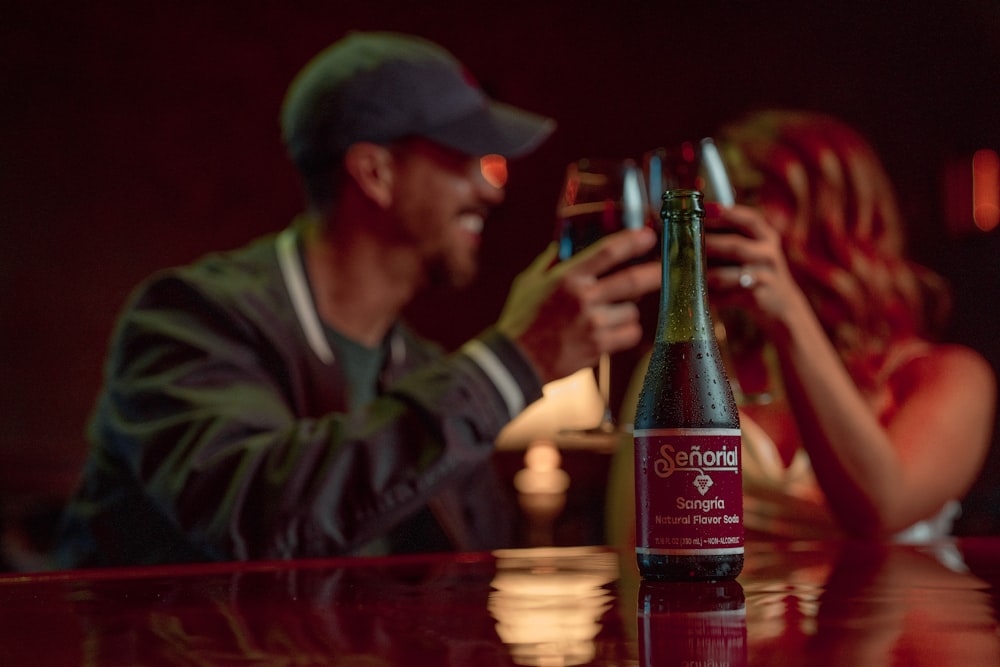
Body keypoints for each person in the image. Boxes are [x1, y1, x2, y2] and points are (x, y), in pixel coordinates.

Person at [54, 31, 661, 568]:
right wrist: (511, 364)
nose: (489, 190)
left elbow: (475, 579)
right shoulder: (189, 320)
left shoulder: (420, 368)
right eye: (467, 159)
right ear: (375, 173)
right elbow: (254, 517)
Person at [607, 109, 996, 546]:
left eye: (748, 193)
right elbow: (637, 539)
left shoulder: (951, 377)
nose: (717, 213)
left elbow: (882, 510)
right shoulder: (688, 370)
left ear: (835, 214)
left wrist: (787, 312)